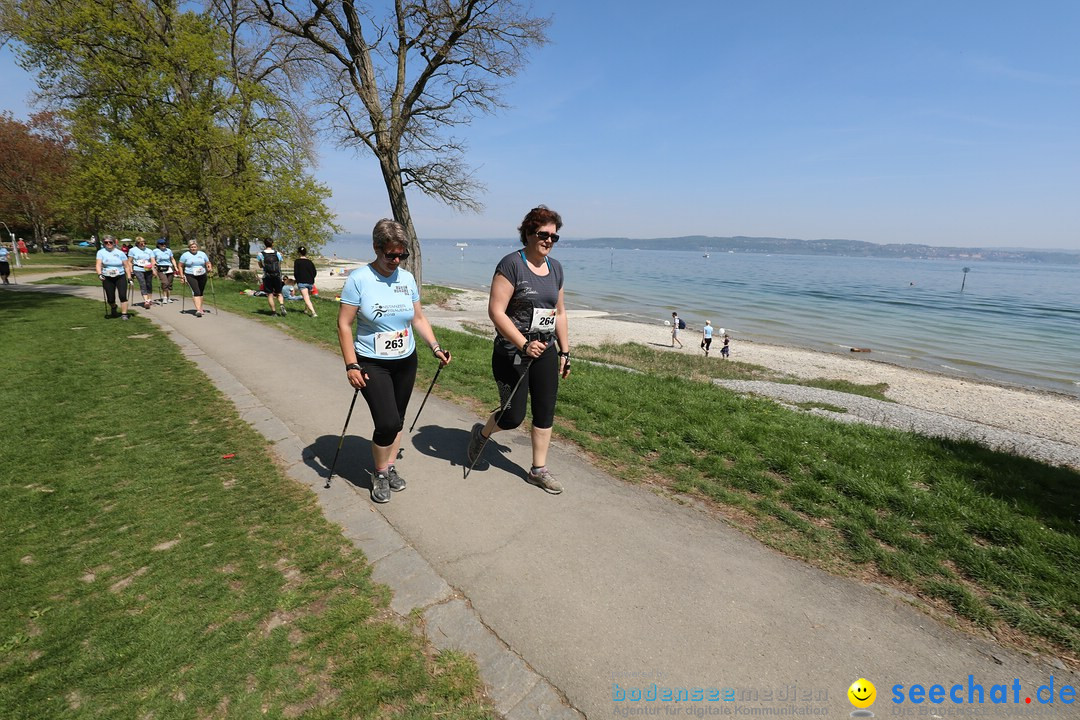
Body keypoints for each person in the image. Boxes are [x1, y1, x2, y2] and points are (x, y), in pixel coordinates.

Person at [337, 219, 451, 503]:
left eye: (402, 255)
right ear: (376, 248)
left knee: (398, 420)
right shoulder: (359, 279)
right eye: (391, 255)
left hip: (405, 360)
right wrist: (351, 364)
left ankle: (388, 466)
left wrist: (435, 347)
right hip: (372, 362)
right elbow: (344, 324)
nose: (397, 260)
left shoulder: (406, 279)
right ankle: (378, 472)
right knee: (386, 422)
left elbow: (418, 318)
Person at [466, 205, 571, 494]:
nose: (549, 240)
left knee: (545, 412)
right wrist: (523, 343)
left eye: (554, 236)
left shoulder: (556, 269)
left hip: (546, 350)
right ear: (527, 233)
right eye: (543, 234)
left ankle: (538, 470)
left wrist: (565, 351)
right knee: (512, 417)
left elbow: (559, 312)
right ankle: (482, 433)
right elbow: (496, 312)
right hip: (512, 352)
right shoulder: (511, 264)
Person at [95, 235, 132, 319]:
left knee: (123, 296)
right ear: (104, 243)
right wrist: (99, 274)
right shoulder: (100, 252)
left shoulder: (120, 253)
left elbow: (126, 266)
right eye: (106, 242)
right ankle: (113, 306)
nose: (108, 244)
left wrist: (129, 277)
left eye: (110, 242)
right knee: (110, 298)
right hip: (107, 277)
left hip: (120, 276)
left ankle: (124, 314)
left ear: (114, 243)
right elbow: (98, 264)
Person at [178, 240, 213, 317]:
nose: (193, 248)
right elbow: (180, 266)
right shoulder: (185, 255)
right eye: (191, 247)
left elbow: (207, 262)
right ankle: (198, 310)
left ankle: (200, 308)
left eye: (195, 247)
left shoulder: (202, 254)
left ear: (197, 247)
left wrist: (209, 267)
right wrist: (181, 276)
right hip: (190, 275)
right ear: (189, 247)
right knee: (196, 291)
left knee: (200, 292)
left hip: (202, 274)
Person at [258, 239, 285, 316]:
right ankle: (281, 304)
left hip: (267, 276)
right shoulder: (277, 253)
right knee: (279, 293)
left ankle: (274, 312)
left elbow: (260, 266)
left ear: (264, 244)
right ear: (272, 244)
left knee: (270, 294)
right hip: (277, 275)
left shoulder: (261, 254)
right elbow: (279, 265)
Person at [127, 236, 156, 309]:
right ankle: (146, 300)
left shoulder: (149, 250)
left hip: (148, 269)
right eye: (141, 244)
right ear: (137, 244)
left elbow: (153, 261)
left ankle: (149, 299)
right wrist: (131, 271)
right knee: (142, 283)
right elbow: (129, 261)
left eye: (144, 243)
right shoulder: (132, 250)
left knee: (149, 284)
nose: (143, 245)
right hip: (138, 268)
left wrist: (154, 269)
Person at [292, 246, 319, 317]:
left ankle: (313, 313)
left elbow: (296, 273)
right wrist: (311, 278)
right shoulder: (310, 262)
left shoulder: (297, 261)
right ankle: (306, 310)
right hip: (310, 282)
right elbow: (314, 272)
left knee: (306, 298)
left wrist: (297, 280)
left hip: (302, 282)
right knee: (307, 297)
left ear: (298, 253)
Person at [153, 239, 179, 303]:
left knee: (169, 283)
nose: (164, 245)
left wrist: (175, 267)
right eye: (162, 244)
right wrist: (154, 268)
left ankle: (168, 297)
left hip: (169, 268)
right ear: (158, 245)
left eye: (165, 244)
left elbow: (172, 259)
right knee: (165, 282)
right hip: (160, 268)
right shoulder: (155, 251)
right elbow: (153, 259)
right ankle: (164, 297)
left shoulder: (169, 250)